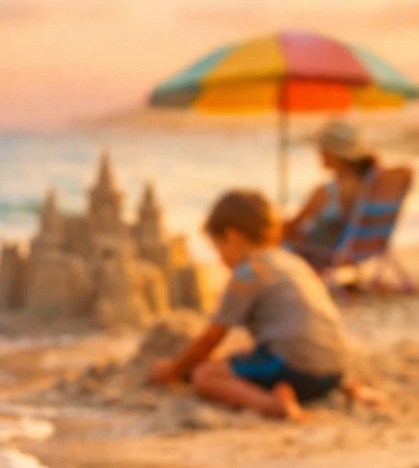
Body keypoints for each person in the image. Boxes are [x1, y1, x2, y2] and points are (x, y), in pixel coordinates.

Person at [151, 189, 348, 421]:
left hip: (297, 369)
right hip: (335, 371)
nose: (219, 259)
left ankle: (271, 405)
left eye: (218, 249)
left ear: (234, 238)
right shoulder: (290, 261)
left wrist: (173, 371)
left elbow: (212, 337)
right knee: (242, 358)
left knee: (204, 376)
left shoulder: (248, 272)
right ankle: (347, 388)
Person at [283, 119, 379, 267]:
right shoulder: (370, 183)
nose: (318, 153)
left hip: (319, 254)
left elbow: (293, 227)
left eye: (321, 149)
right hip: (359, 250)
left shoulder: (327, 192)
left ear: (333, 153)